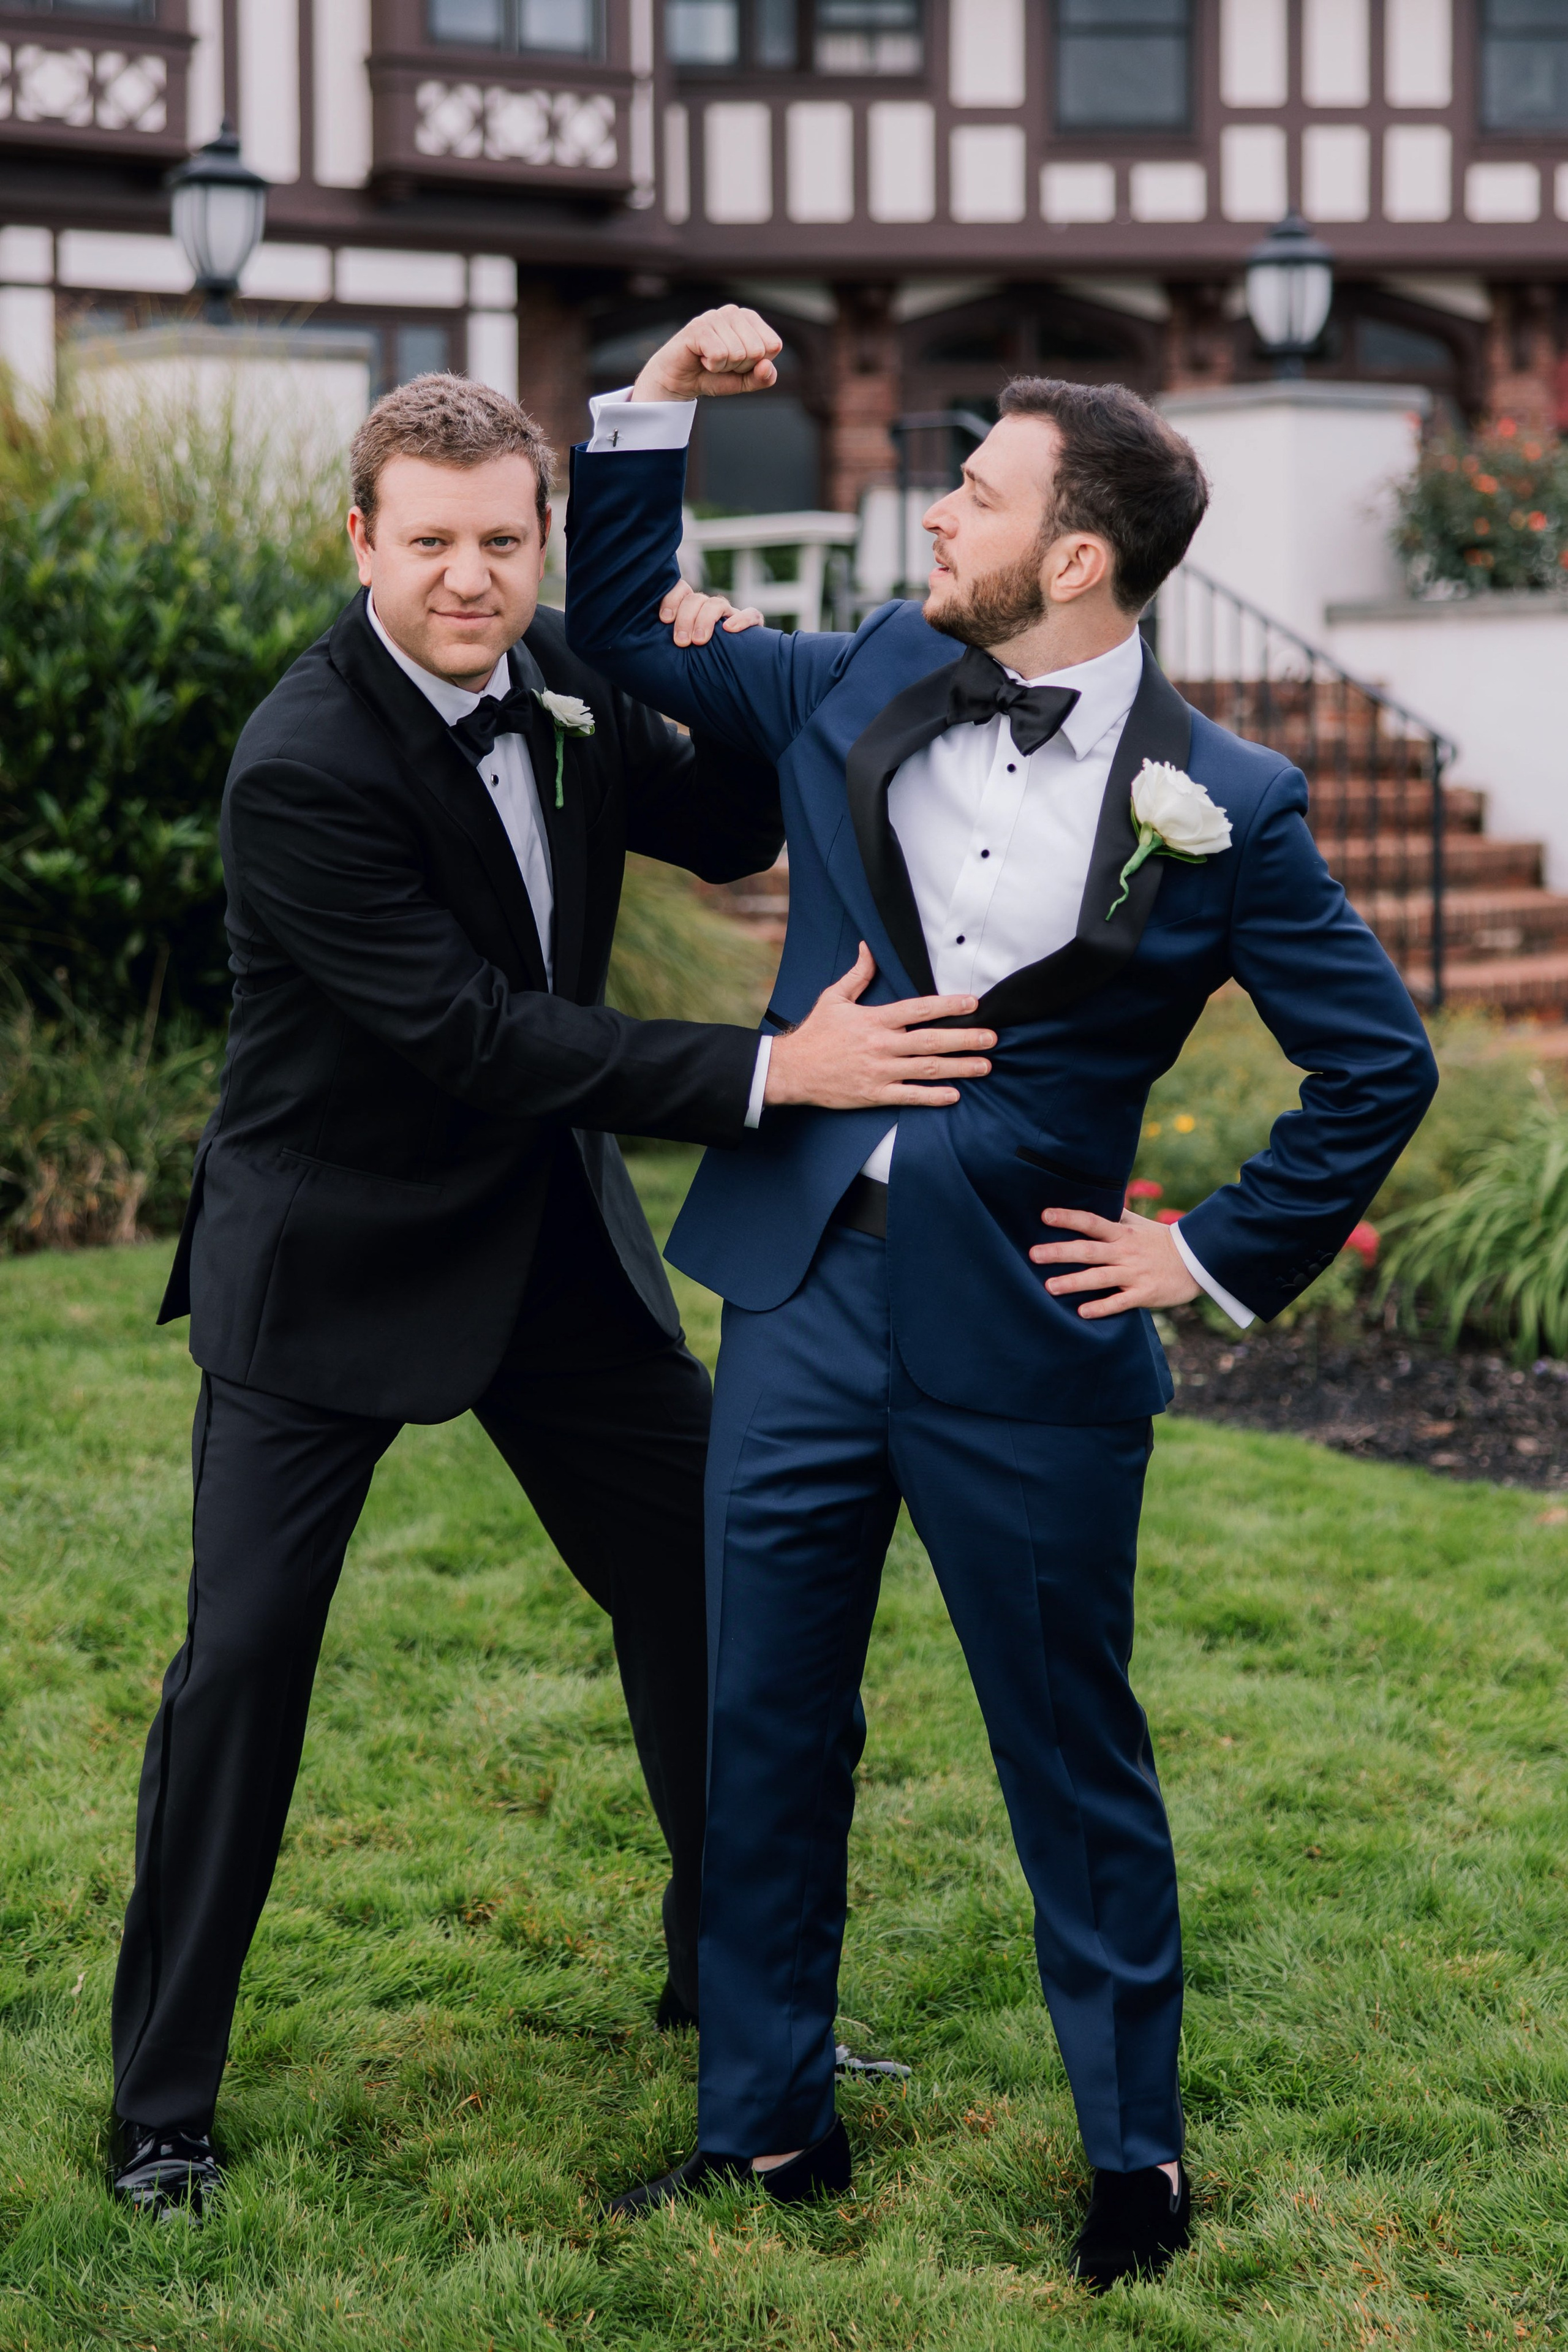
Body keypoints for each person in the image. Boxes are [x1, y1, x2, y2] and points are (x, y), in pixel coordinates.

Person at [564, 309, 1439, 2287]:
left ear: (1078, 557)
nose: (938, 513)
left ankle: (1138, 2160)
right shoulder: (875, 664)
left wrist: (1202, 1254)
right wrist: (654, 407)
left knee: (1068, 1749)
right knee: (763, 1720)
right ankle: (765, 2126)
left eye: (978, 490)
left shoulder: (1227, 803)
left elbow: (1377, 1066)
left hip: (1031, 1327)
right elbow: (619, 633)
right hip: (803, 1288)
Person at [109, 371, 993, 2219]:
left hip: (547, 1245)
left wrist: (732, 685)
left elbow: (733, 833)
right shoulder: (301, 762)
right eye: (431, 543)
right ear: (363, 541)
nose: (470, 578)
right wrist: (778, 1077)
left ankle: (741, 2004)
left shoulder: (569, 679)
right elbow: (477, 1036)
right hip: (332, 1253)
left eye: (503, 541)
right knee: (245, 1663)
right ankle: (161, 2106)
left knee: (722, 1597)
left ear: (538, 541)